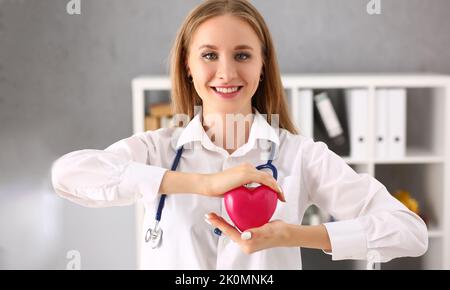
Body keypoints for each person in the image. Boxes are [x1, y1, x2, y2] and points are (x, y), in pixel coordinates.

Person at [51, 0, 428, 270]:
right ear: (187, 65)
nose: (227, 73)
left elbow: (409, 232)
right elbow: (67, 175)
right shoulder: (157, 149)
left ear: (263, 65)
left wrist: (294, 236)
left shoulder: (300, 156)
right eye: (210, 55)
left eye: (243, 55)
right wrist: (202, 183)